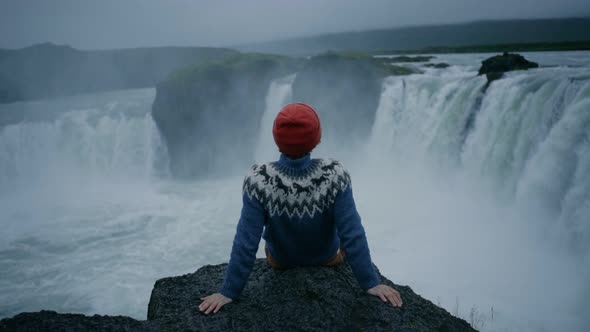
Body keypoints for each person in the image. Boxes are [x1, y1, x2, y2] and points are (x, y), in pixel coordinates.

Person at [199, 103, 402, 314]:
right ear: (317, 138)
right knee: (342, 239)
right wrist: (370, 283)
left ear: (276, 138)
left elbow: (246, 241)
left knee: (270, 241)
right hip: (327, 258)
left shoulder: (258, 178)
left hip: (281, 261)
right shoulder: (335, 173)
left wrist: (228, 292)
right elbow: (352, 233)